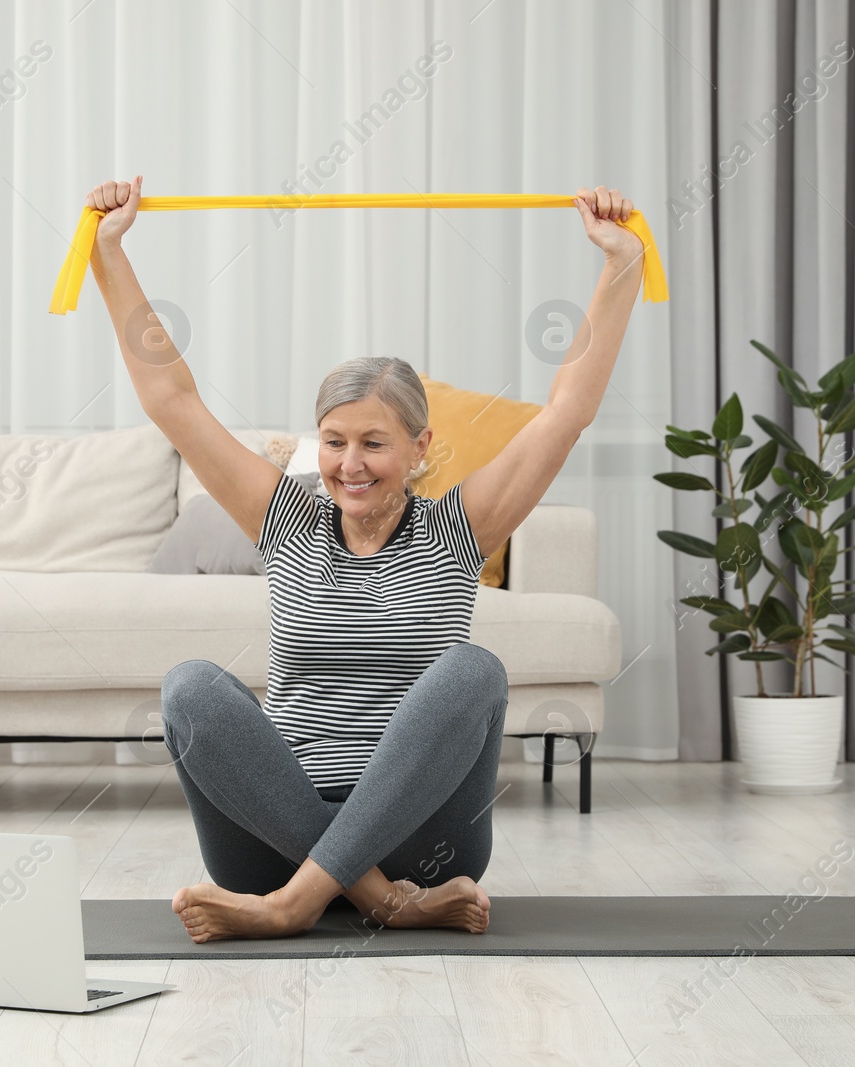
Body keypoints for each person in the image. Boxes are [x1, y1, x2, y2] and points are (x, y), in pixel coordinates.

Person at [85, 176, 645, 942]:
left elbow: (568, 410)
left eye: (374, 443)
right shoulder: (289, 519)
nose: (349, 463)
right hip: (270, 840)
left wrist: (620, 266)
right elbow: (172, 401)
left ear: (419, 450)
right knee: (189, 688)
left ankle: (295, 907)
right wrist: (110, 252)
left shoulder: (456, 530)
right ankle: (383, 901)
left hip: (425, 839)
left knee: (475, 670)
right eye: (335, 441)